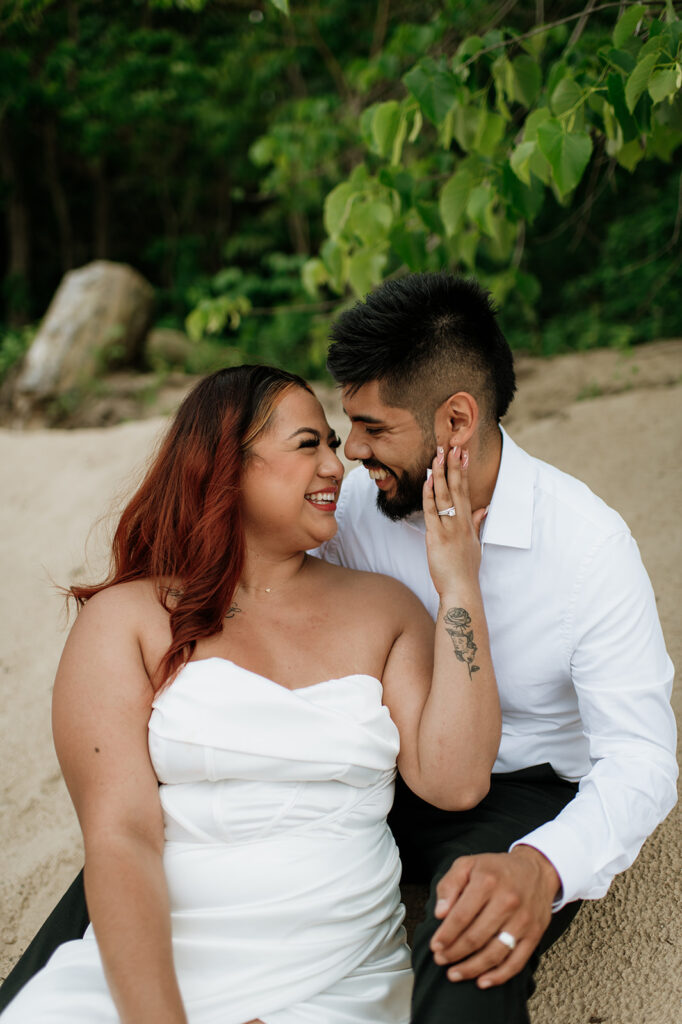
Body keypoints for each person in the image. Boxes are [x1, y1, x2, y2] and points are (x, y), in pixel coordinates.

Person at [0, 363, 502, 1024]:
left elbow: (455, 782)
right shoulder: (128, 620)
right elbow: (122, 836)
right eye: (308, 445)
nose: (336, 465)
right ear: (226, 467)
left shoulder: (385, 610)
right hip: (160, 967)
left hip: (341, 978)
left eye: (332, 443)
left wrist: (459, 585)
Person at [313, 271, 677, 1023]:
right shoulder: (352, 509)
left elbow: (642, 757)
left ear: (456, 421)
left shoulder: (586, 546)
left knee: (465, 946)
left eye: (374, 428)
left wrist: (541, 866)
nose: (350, 451)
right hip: (373, 764)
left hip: (517, 793)